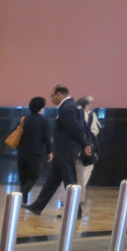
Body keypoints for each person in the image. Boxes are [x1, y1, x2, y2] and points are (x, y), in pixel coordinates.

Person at [26, 85, 93, 217]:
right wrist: (84, 142)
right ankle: (37, 206)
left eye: (52, 95)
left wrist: (85, 143)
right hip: (64, 150)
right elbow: (82, 126)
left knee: (70, 181)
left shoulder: (67, 108)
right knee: (53, 180)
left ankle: (76, 212)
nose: (51, 99)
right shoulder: (75, 105)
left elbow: (75, 128)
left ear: (59, 94)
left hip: (66, 149)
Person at [15, 95, 52, 204]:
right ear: (41, 108)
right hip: (34, 152)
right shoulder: (44, 121)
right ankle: (20, 195)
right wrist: (49, 151)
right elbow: (46, 138)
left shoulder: (24, 119)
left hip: (21, 151)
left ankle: (23, 201)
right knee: (33, 176)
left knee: (23, 177)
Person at [75, 95, 100, 191]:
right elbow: (95, 131)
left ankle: (65, 196)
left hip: (72, 147)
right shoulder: (90, 116)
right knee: (86, 169)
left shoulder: (70, 114)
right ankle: (79, 193)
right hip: (86, 147)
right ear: (87, 105)